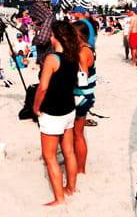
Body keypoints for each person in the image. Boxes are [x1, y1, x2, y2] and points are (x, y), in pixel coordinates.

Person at [32, 20, 80, 205]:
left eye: (52, 35)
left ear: (57, 37)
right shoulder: (73, 56)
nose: (50, 37)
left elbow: (42, 88)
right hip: (69, 108)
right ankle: (71, 187)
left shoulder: (53, 58)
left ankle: (59, 198)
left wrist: (36, 107)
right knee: (68, 151)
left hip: (53, 111)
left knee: (50, 155)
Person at [72, 19, 97, 175]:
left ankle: (81, 168)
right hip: (87, 95)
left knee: (77, 133)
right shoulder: (90, 48)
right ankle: (77, 161)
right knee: (76, 132)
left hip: (80, 96)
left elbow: (81, 79)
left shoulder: (82, 52)